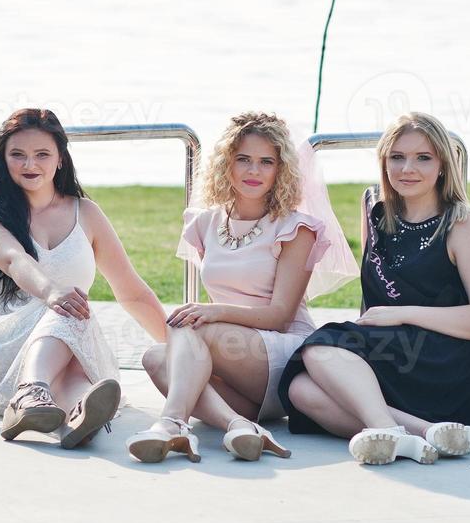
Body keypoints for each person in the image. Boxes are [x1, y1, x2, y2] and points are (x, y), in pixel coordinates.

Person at [277, 113, 470, 465]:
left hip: (450, 362)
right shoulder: (374, 207)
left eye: (423, 158)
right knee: (300, 391)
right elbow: (374, 298)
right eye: (396, 157)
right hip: (395, 353)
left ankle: (387, 427)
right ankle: (425, 432)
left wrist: (401, 314)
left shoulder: (461, 224)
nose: (407, 169)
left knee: (319, 349)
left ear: (444, 165)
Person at [129, 111, 357, 463]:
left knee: (192, 327)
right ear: (226, 164)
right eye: (244, 160)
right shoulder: (204, 222)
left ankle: (171, 423)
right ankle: (238, 425)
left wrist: (212, 312)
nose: (254, 171)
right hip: (237, 373)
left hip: (281, 356)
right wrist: (209, 316)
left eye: (266, 162)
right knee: (155, 357)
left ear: (281, 169)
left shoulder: (296, 228)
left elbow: (279, 316)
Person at [0, 108, 167, 448]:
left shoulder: (86, 213)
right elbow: (12, 258)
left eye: (42, 154)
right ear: (2, 160)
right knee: (70, 309)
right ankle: (30, 392)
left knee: (74, 320)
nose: (30, 165)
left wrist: (178, 347)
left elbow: (131, 290)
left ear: (60, 158)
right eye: (17, 155)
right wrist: (51, 292)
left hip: (68, 339)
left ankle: (78, 413)